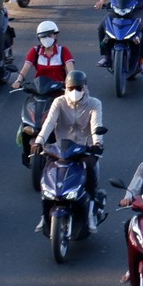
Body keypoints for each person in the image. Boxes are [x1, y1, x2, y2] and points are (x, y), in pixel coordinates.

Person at [34, 72, 105, 233]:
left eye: (78, 88)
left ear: (85, 87)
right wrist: (39, 141)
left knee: (90, 173)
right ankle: (45, 213)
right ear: (66, 87)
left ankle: (90, 213)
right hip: (61, 149)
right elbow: (49, 123)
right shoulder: (58, 102)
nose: (74, 91)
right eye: (71, 88)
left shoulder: (94, 104)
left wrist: (97, 143)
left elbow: (96, 126)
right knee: (47, 174)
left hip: (84, 149)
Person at [14, 20, 76, 90]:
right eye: (43, 36)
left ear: (55, 35)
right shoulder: (35, 51)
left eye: (50, 35)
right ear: (39, 38)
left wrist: (71, 83)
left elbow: (71, 71)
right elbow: (25, 68)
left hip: (59, 90)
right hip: (39, 90)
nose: (47, 38)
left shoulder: (63, 50)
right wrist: (18, 80)